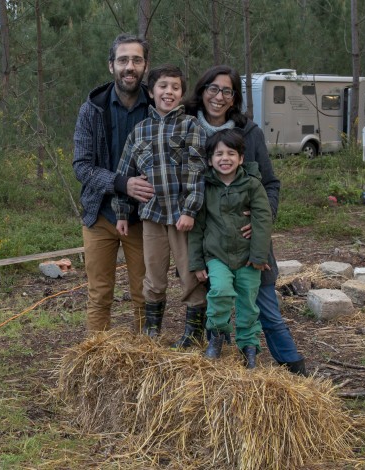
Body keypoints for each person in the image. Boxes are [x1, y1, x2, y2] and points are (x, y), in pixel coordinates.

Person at [183, 64, 307, 375]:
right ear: (202, 91)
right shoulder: (185, 128)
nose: (219, 96)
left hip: (249, 238)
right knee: (214, 297)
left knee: (262, 301)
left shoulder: (249, 133)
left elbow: (270, 183)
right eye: (213, 88)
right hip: (211, 241)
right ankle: (215, 344)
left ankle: (291, 364)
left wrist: (262, 220)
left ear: (235, 97)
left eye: (227, 90)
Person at [113, 64, 207, 338]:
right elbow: (125, 172)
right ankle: (152, 331)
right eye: (163, 86)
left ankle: (194, 335)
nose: (169, 92)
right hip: (152, 216)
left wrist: (190, 210)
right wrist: (122, 212)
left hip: (182, 218)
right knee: (153, 277)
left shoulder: (191, 126)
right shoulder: (139, 131)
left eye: (175, 88)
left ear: (181, 94)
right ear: (151, 93)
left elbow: (197, 171)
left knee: (190, 277)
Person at [73, 34, 156, 334]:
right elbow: (82, 167)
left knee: (145, 295)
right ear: (111, 66)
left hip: (144, 218)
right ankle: (95, 360)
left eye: (136, 60)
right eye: (123, 60)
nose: (129, 67)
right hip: (100, 216)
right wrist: (122, 183)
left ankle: (146, 360)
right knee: (99, 295)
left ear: (145, 65)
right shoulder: (92, 110)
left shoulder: (157, 109)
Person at [189, 129, 272, 368]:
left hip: (248, 257)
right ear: (210, 160)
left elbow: (263, 220)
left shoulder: (252, 185)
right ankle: (216, 337)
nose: (225, 158)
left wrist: (258, 255)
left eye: (231, 153)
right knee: (220, 292)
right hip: (217, 256)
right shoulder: (205, 187)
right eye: (218, 154)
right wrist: (196, 263)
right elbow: (197, 227)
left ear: (241, 158)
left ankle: (249, 347)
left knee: (248, 301)